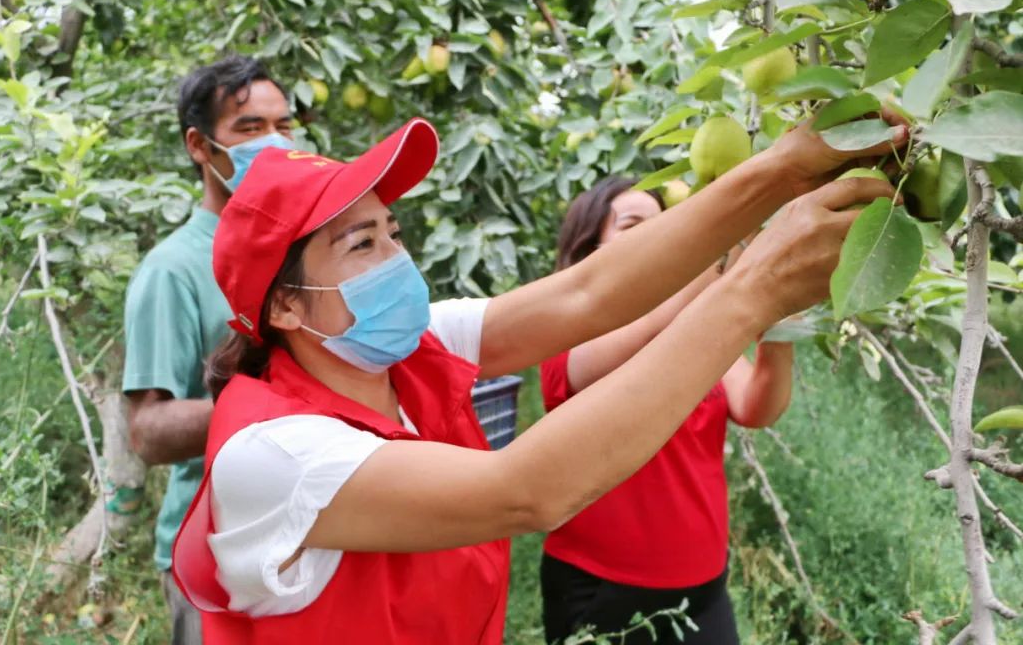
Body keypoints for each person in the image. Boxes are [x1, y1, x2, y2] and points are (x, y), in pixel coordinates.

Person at [171, 113, 908, 644]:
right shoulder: (275, 452)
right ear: (287, 307)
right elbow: (527, 492)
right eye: (361, 244)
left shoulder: (403, 351)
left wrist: (781, 167)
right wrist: (754, 290)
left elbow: (588, 295)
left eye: (393, 231)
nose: (397, 258)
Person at [538, 176, 794, 645]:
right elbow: (616, 351)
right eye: (634, 226)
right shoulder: (567, 336)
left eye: (669, 227)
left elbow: (756, 407)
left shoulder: (699, 331)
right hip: (602, 587)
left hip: (703, 587)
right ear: (590, 248)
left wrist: (779, 324)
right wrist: (737, 247)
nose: (661, 241)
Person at [122, 54, 295, 644]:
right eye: (250, 129)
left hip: (301, 542)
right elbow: (147, 430)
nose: (274, 143)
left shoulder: (301, 251)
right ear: (200, 146)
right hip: (212, 554)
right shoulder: (171, 271)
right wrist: (282, 406)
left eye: (284, 126)